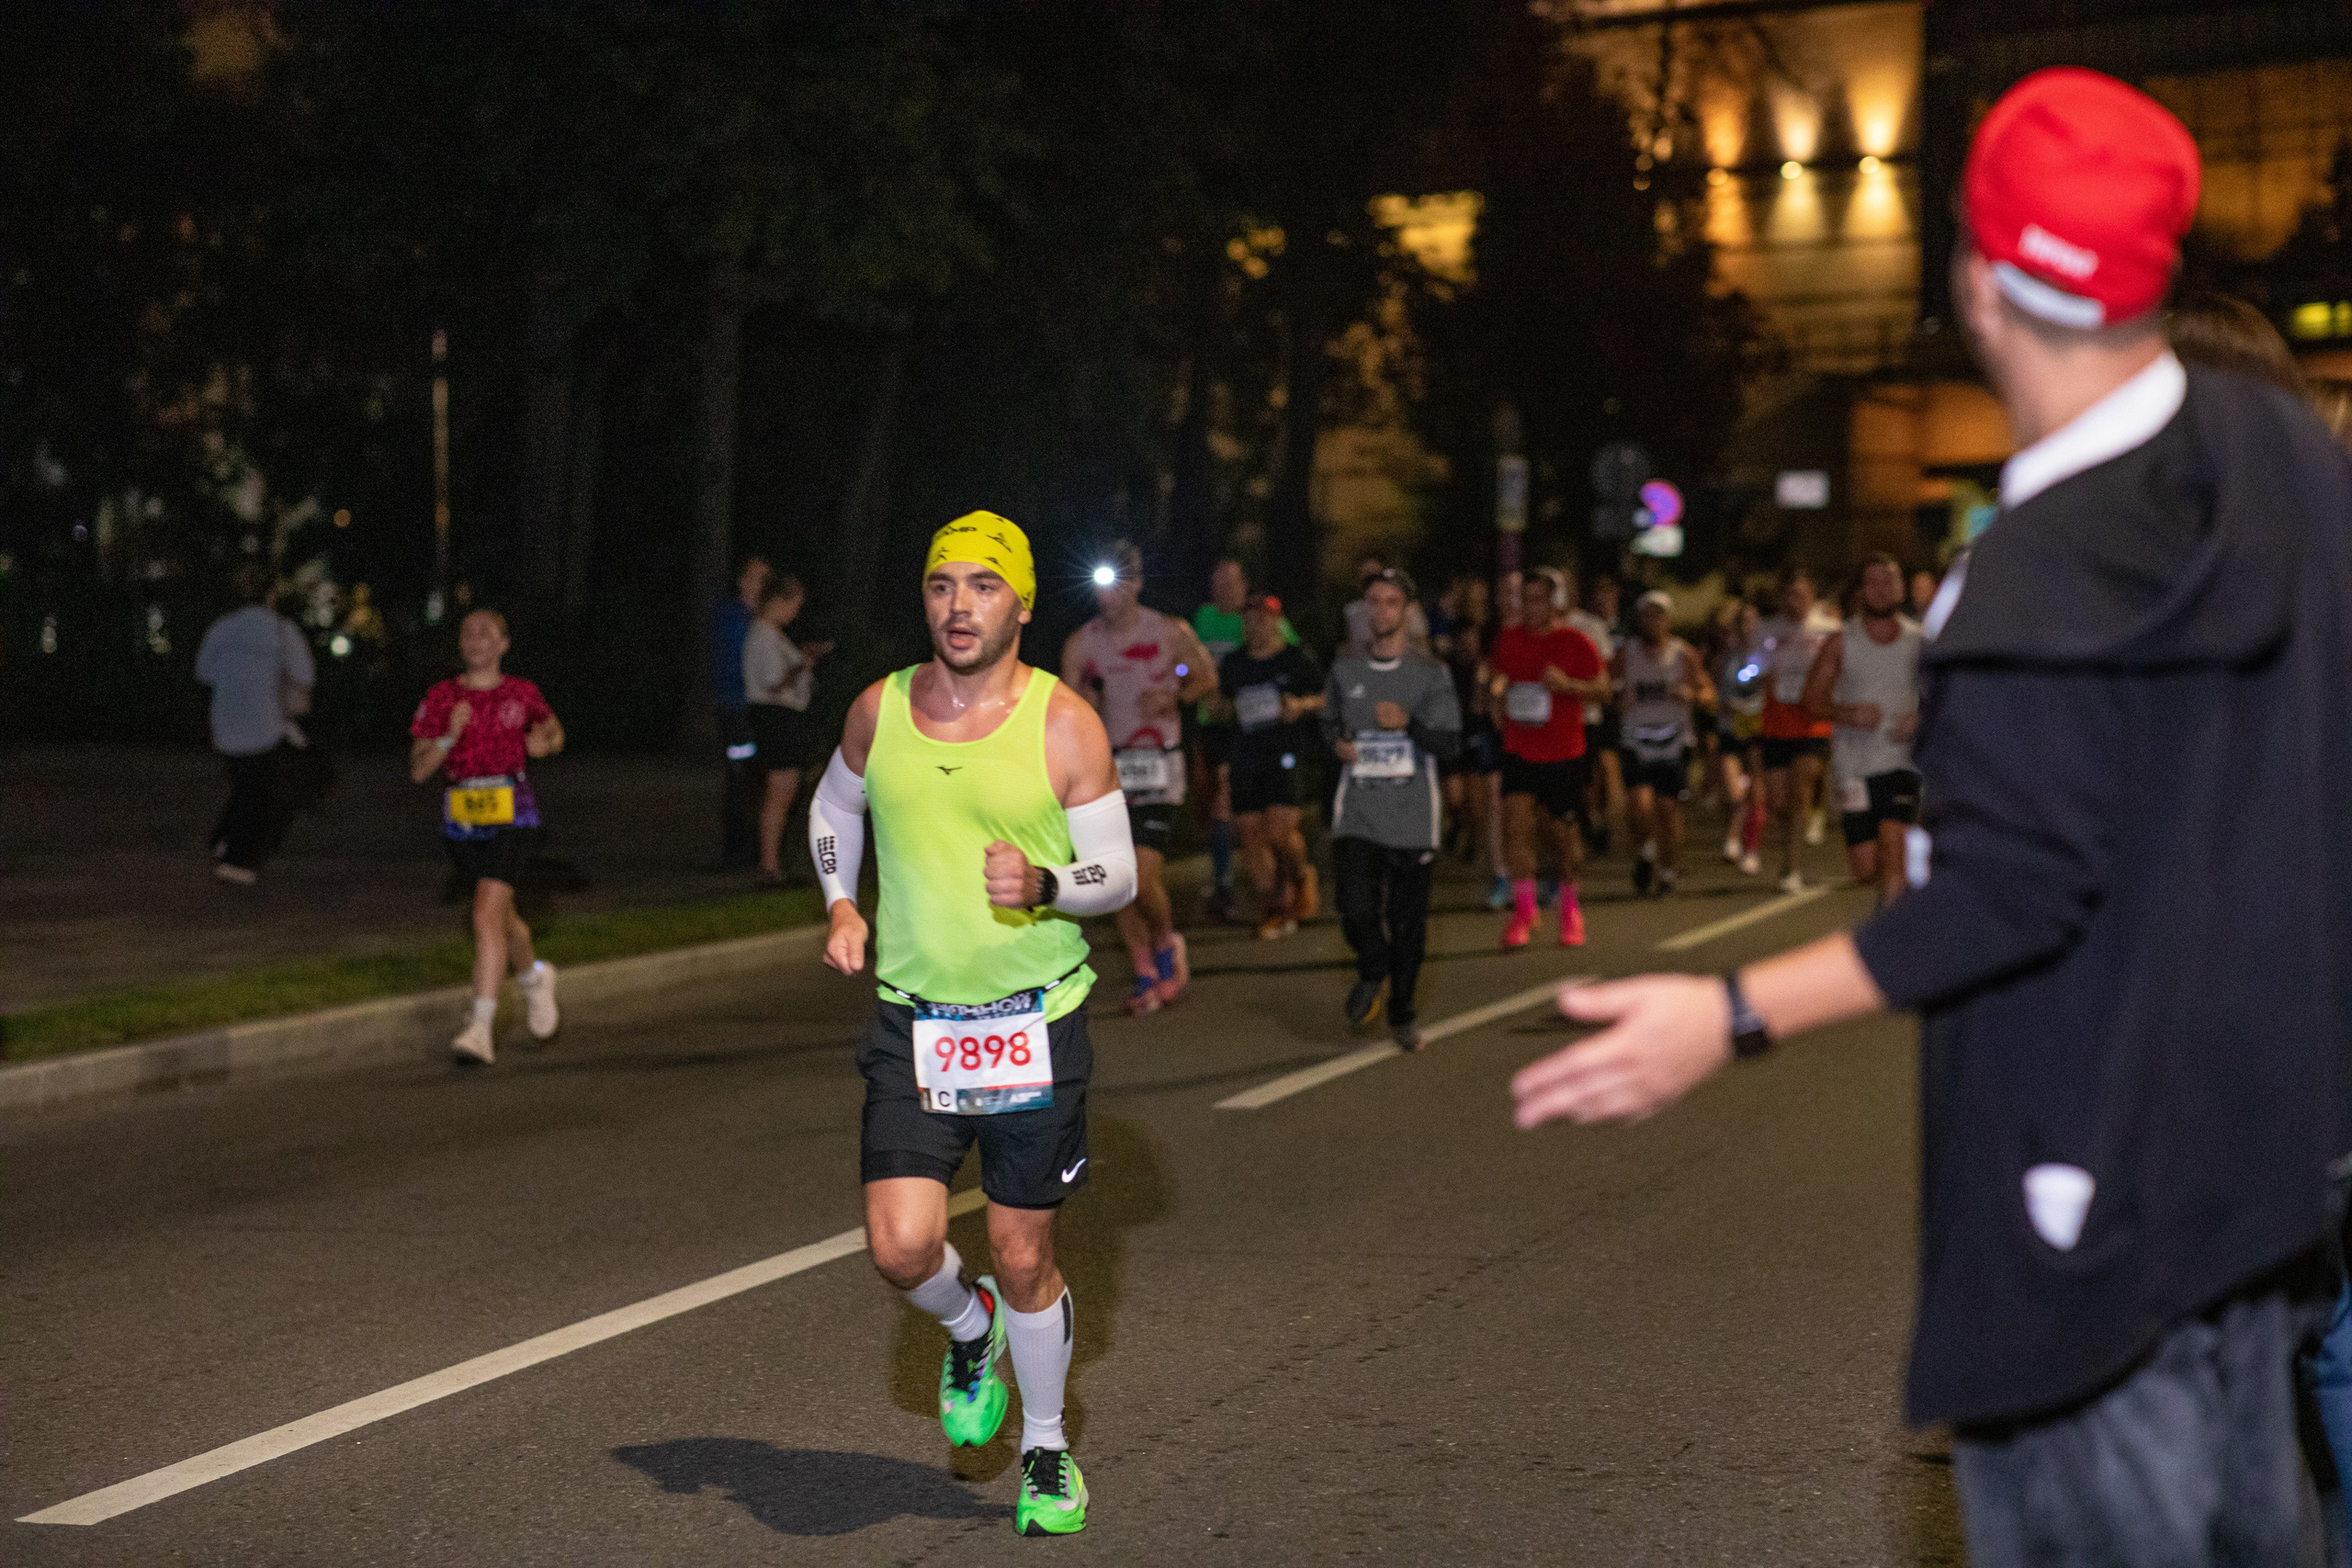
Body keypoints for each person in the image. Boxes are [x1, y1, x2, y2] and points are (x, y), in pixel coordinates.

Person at [1514, 68, 2352, 1562]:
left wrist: (1730, 1013)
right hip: (2264, 1178)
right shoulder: (2285, 463)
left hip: (2087, 1209)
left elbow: (2015, 891)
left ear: (1977, 278)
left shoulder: (2035, 580)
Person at [810, 511, 1135, 1538]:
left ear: (1022, 606)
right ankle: (969, 1325)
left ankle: (1043, 1448)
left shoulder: (1063, 724)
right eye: (942, 584)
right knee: (903, 1250)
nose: (959, 605)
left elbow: (1115, 874)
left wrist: (1043, 881)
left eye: (983, 587)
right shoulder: (880, 709)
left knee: (1022, 1250)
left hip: (1035, 1023)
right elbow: (833, 812)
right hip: (915, 1026)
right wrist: (841, 901)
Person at [1064, 540, 1216, 1014]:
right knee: (1114, 881)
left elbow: (1203, 675)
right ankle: (1144, 968)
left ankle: (1167, 943)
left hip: (1159, 767)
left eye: (1116, 586)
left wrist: (1176, 696)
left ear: (1136, 585)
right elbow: (1065, 707)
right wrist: (1086, 698)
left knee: (1141, 873)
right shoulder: (1082, 642)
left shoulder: (1170, 632)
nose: (1106, 597)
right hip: (1108, 770)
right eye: (1099, 587)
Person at [408, 610, 564, 1066]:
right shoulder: (442, 697)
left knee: (483, 913)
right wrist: (447, 738)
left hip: (514, 816)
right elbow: (418, 770)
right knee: (501, 917)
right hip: (462, 823)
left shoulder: (522, 693)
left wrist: (546, 743)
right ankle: (534, 977)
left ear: (503, 645)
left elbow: (554, 730)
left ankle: (479, 1027)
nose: (476, 640)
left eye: (486, 633)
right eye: (468, 633)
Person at [1324, 569, 1460, 1048]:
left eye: (1390, 603)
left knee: (1408, 924)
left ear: (1406, 611)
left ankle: (1402, 1011)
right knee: (1353, 906)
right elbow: (1328, 725)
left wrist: (1410, 725)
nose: (1380, 611)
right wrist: (1337, 743)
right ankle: (1372, 966)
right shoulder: (1345, 669)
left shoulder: (1430, 674)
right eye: (1373, 603)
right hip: (1358, 812)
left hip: (1412, 817)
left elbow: (1449, 744)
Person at [1487, 573, 1606, 949]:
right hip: (1520, 749)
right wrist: (1496, 693)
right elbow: (1495, 677)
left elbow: (1603, 690)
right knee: (1515, 830)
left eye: (1539, 599)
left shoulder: (1574, 642)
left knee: (1561, 839)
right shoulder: (1509, 638)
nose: (1531, 607)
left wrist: (1569, 685)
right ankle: (1524, 910)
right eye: (1526, 599)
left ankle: (1570, 909)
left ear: (1554, 603)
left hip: (1563, 751)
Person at [1803, 554, 1922, 908]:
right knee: (1866, 867)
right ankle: (1899, 889)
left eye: (1889, 580)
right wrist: (1846, 714)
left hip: (1903, 761)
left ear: (1900, 587)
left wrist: (1920, 719)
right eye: (1872, 582)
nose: (1881, 589)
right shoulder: (1840, 643)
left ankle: (1893, 939)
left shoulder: (1920, 642)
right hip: (1854, 764)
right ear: (1860, 591)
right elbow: (1811, 700)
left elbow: (1948, 698)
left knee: (1892, 837)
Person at [195, 562, 315, 885]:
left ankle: (220, 840)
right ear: (271, 596)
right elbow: (304, 675)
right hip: (266, 725)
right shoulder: (281, 630)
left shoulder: (222, 627)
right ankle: (236, 859)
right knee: (258, 794)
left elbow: (204, 672)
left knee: (245, 786)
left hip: (225, 723)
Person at [1214, 594, 1323, 940]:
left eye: (1262, 619)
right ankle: (1274, 906)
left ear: (1276, 621)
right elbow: (1222, 705)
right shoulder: (1233, 663)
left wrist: (1300, 704)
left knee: (1280, 831)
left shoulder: (1295, 658)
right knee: (1252, 834)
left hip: (1285, 752)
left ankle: (1300, 876)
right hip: (1246, 754)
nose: (1255, 626)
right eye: (1249, 620)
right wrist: (1218, 707)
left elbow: (1326, 696)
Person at [1191, 560, 1295, 922]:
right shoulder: (1202, 619)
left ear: (1243, 586)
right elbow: (1185, 662)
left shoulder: (1259, 616)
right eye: (1217, 584)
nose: (1224, 591)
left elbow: (1289, 654)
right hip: (1213, 722)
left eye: (1231, 585)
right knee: (1216, 805)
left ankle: (1227, 886)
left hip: (1251, 727)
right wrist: (1185, 677)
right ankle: (1231, 881)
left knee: (1227, 801)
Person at [1614, 590, 1713, 897]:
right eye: (1648, 615)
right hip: (1636, 739)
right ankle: (1646, 849)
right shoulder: (1626, 653)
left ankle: (1667, 871)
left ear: (1668, 621)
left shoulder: (1683, 654)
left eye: (1660, 616)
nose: (1654, 622)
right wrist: (1619, 695)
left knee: (1669, 809)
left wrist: (1694, 696)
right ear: (1639, 620)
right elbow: (1605, 687)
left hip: (1674, 741)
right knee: (1638, 806)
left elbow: (1709, 694)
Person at [744, 575, 831, 886]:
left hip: (782, 715)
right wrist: (803, 663)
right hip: (774, 715)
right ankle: (768, 866)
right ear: (778, 602)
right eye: (794, 604)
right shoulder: (764, 635)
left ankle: (772, 864)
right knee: (779, 792)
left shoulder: (774, 636)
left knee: (783, 791)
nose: (796, 611)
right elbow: (773, 683)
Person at [1755, 567, 1837, 892]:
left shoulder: (1829, 628)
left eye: (1801, 595)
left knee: (1800, 789)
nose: (1795, 601)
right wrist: (1758, 673)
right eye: (1789, 595)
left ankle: (1791, 865)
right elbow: (1754, 667)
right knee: (1778, 800)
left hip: (1813, 722)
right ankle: (1791, 844)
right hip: (1777, 721)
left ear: (1812, 595)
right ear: (1780, 598)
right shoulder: (1767, 630)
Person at [1434, 574, 1505, 904]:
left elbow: (1490, 700)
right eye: (1462, 639)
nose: (1466, 643)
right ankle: (1462, 829)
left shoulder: (1485, 666)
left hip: (1478, 735)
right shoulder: (1446, 667)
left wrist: (1487, 690)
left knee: (1482, 803)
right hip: (1452, 736)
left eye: (1472, 639)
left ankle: (1493, 865)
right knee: (1455, 800)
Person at [712, 556, 771, 870]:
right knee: (739, 777)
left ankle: (753, 851)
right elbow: (736, 662)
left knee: (757, 779)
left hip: (757, 710)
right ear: (742, 581)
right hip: (735, 708)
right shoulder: (732, 616)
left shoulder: (762, 617)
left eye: (765, 578)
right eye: (755, 577)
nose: (761, 584)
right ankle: (734, 853)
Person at [1340, 552, 1430, 658]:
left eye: (1375, 574)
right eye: (1366, 574)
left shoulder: (1405, 605)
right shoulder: (1352, 611)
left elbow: (1421, 640)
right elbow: (1349, 644)